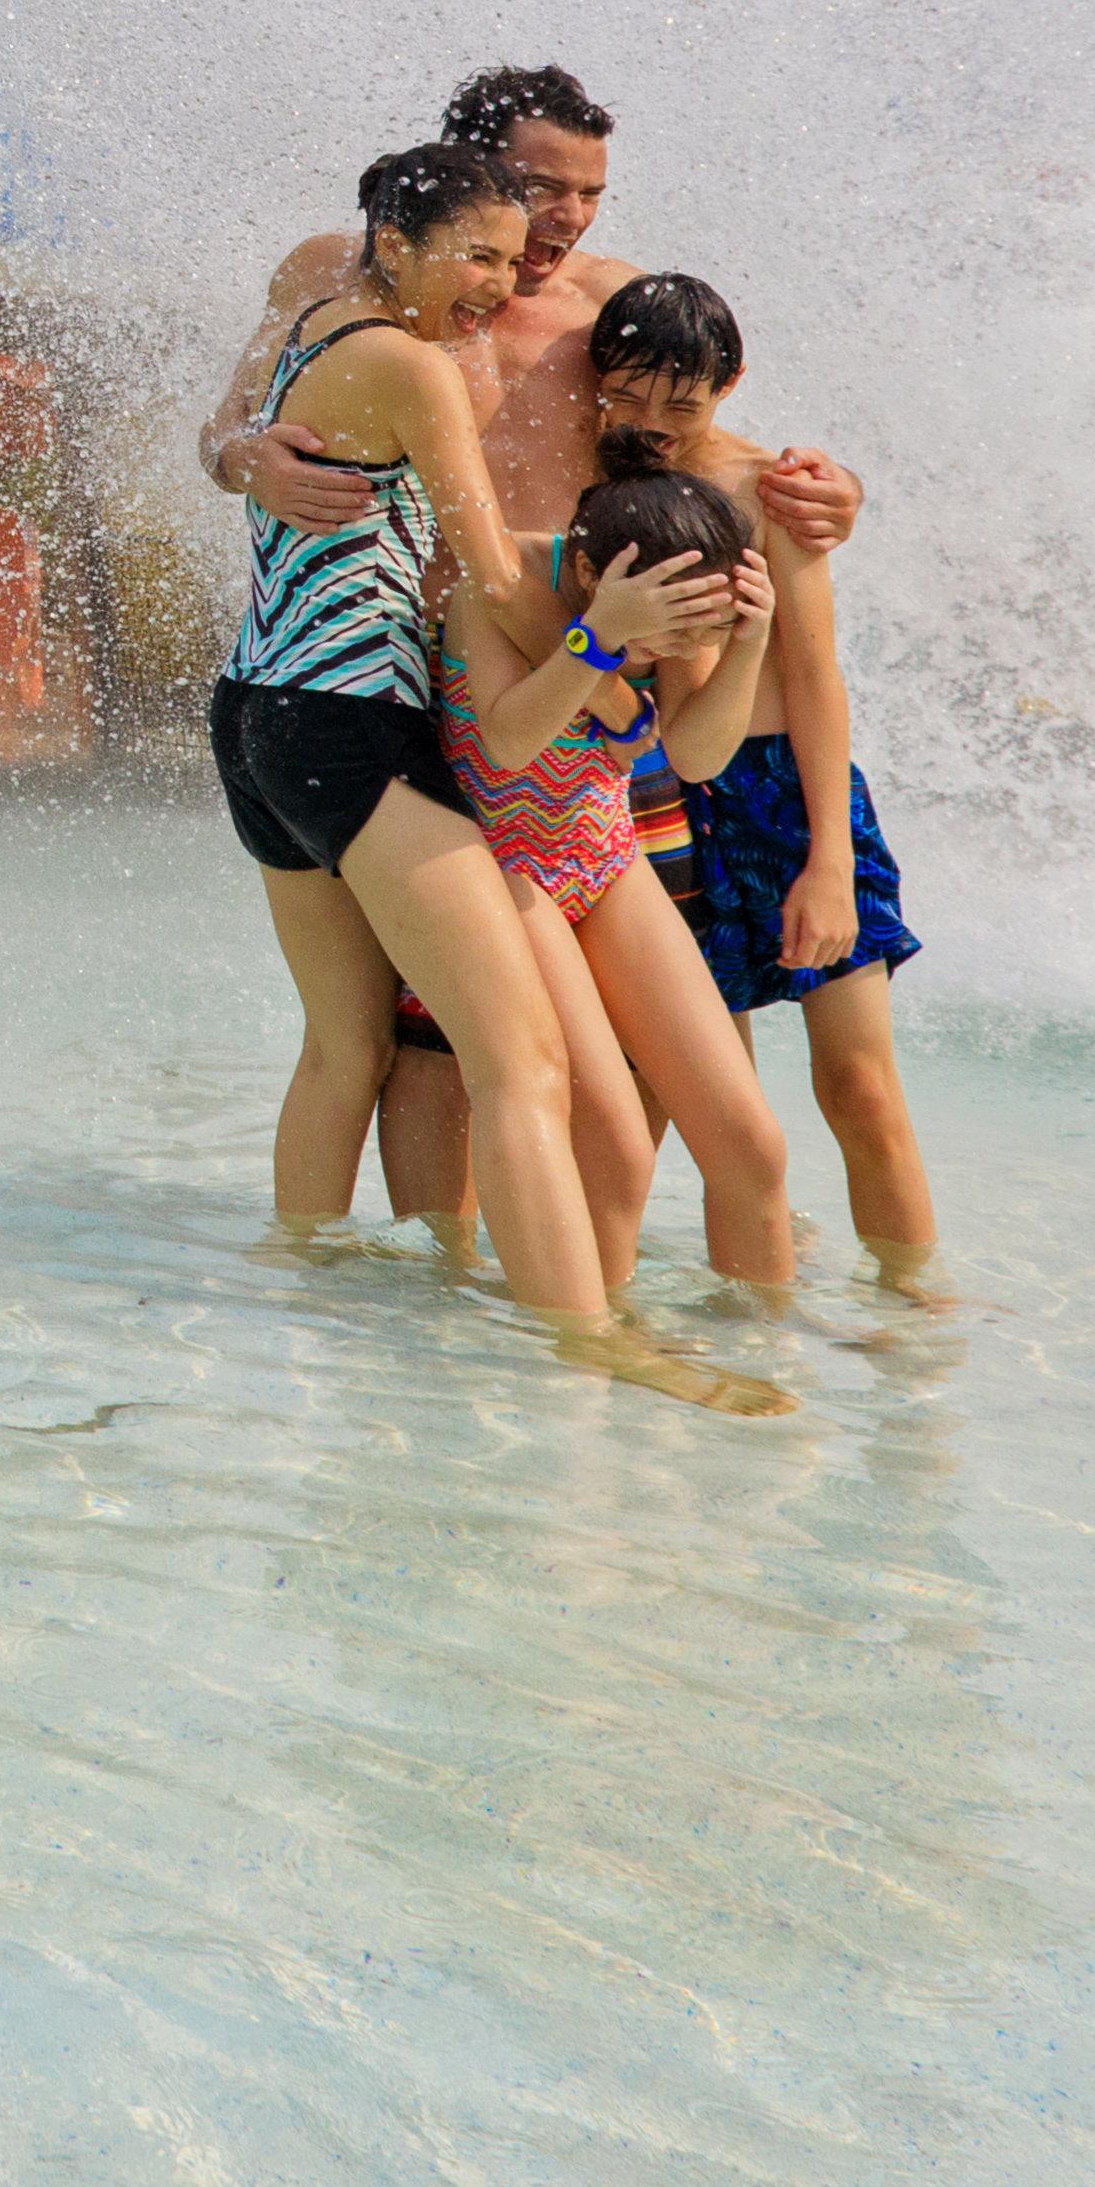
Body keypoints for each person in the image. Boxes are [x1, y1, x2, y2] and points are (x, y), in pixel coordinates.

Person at [198, 61, 862, 1228]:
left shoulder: (603, 304)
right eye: (538, 188)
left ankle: (609, 1270)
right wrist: (242, 458)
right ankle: (449, 1282)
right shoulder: (335, 279)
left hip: (580, 688)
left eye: (589, 192)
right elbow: (230, 422)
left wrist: (824, 490)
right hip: (403, 690)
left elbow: (686, 431)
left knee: (639, 1040)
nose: (563, 219)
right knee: (435, 1035)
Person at [213, 141, 778, 1409]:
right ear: (397, 244)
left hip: (256, 716)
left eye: (508, 256)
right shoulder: (412, 364)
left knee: (342, 1046)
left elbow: (242, 445)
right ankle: (589, 1338)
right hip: (352, 721)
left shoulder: (312, 327)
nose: (500, 279)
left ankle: (293, 1284)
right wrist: (609, 643)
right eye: (476, 252)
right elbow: (489, 560)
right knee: (522, 1066)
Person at [588, 272, 940, 1278]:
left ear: (729, 386)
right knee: (697, 1092)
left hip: (787, 790)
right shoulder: (597, 476)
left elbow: (814, 675)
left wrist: (831, 856)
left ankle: (914, 1306)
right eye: (629, 393)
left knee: (860, 1087)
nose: (652, 422)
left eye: (682, 404)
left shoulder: (768, 489)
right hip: (656, 799)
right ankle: (745, 1297)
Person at [440, 444, 804, 1305]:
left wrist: (745, 644)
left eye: (699, 634)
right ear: (602, 573)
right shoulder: (504, 584)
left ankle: (769, 1354)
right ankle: (590, 1347)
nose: (683, 649)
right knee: (615, 1146)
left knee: (751, 1145)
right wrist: (600, 637)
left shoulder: (682, 594)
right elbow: (507, 739)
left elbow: (695, 755)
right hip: (506, 872)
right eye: (675, 634)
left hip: (604, 856)